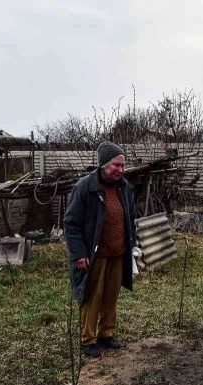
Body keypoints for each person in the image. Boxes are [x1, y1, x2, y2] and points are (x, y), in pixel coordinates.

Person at [64, 141, 138, 358]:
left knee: (111, 296)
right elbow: (71, 223)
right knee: (92, 296)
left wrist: (133, 245)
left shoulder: (124, 187)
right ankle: (89, 339)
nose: (121, 170)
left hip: (118, 253)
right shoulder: (85, 187)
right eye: (117, 165)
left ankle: (106, 334)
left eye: (123, 166)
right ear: (104, 164)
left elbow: (131, 217)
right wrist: (79, 254)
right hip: (94, 255)